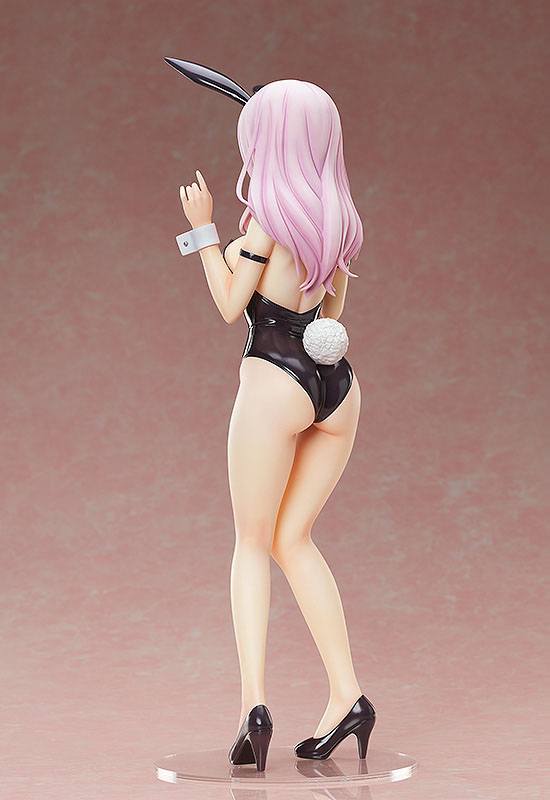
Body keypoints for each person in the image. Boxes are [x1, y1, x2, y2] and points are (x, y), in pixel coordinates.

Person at [173, 70, 376, 772]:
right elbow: (331, 312)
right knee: (296, 539)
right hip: (337, 389)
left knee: (252, 544)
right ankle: (348, 696)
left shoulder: (264, 225)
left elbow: (232, 306)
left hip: (273, 383)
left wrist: (203, 232)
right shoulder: (337, 222)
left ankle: (253, 707)